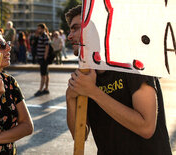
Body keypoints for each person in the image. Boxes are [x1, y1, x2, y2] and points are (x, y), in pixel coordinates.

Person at [65, 5, 172, 155]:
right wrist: (70, 98)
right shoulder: (87, 74)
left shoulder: (132, 62)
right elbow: (80, 136)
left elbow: (146, 127)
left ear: (96, 28)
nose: (69, 36)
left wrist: (93, 92)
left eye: (75, 28)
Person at [34, 23, 51, 97]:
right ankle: (46, 89)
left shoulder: (44, 36)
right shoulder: (41, 36)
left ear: (43, 29)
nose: (38, 30)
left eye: (39, 28)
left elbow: (47, 47)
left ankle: (40, 90)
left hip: (43, 58)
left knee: (43, 75)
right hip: (41, 58)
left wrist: (45, 57)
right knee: (46, 74)